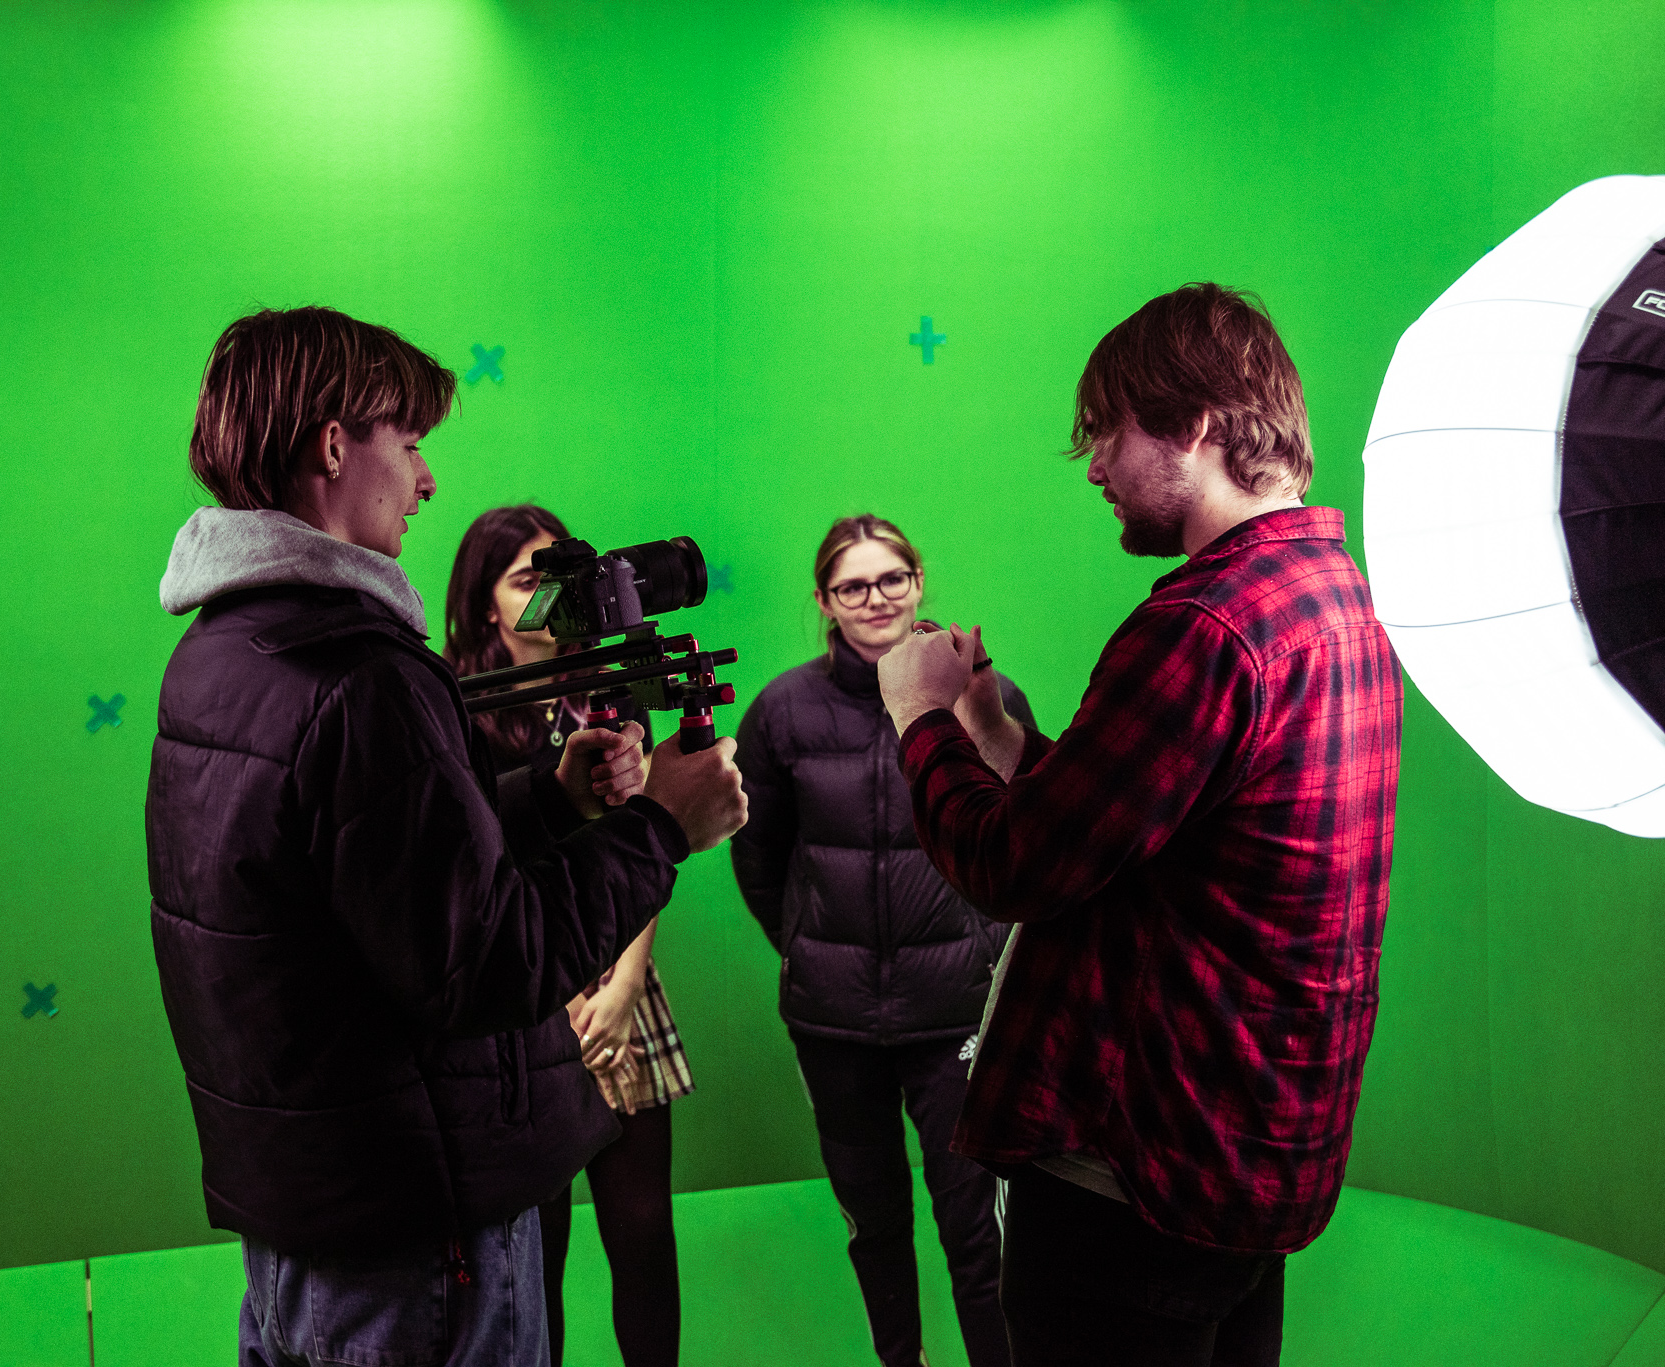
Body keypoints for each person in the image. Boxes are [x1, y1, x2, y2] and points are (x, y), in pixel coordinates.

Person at [144, 307, 747, 1367]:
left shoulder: (222, 650)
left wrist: (551, 802)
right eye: (410, 443)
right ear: (336, 445)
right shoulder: (363, 673)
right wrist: (662, 822)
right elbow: (484, 962)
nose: (426, 480)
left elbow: (353, 876)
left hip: (309, 1217)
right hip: (417, 1234)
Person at [878, 284, 1403, 1367]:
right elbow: (1142, 836)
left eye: (1106, 434)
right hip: (1251, 1161)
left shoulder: (1204, 622)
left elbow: (1013, 863)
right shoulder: (1329, 594)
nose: (1094, 468)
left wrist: (916, 711)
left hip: (1137, 1177)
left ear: (1198, 425)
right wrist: (989, 724)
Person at [731, 514, 1030, 1367]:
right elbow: (758, 852)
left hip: (956, 1019)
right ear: (825, 601)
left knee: (979, 1233)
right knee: (876, 1226)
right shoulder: (782, 711)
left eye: (891, 578)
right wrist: (804, 944)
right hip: (836, 1023)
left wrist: (981, 950)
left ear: (919, 580)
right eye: (853, 585)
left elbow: (1022, 835)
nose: (875, 598)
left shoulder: (984, 697)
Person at [444, 504, 693, 1367]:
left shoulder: (617, 686)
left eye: (566, 579)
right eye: (528, 581)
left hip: (622, 979)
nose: (557, 600)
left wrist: (622, 989)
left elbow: (648, 841)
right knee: (532, 1256)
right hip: (524, 992)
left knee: (643, 1236)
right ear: (484, 605)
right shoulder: (456, 711)